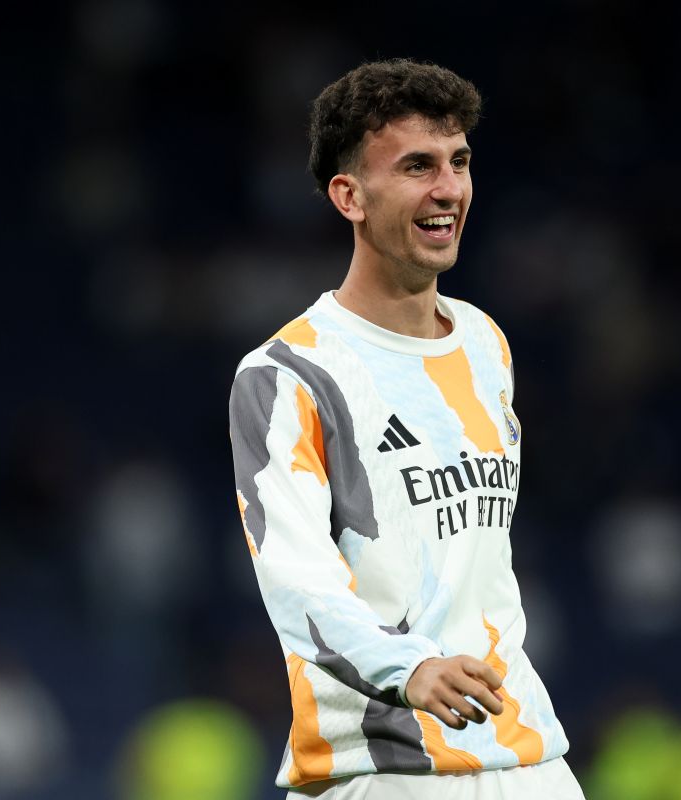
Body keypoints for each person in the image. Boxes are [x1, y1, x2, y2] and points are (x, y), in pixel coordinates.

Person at [228, 58, 584, 799]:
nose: (448, 189)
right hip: (383, 768)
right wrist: (410, 667)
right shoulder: (289, 374)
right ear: (348, 195)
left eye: (458, 162)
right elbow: (296, 581)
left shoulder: (485, 342)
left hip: (526, 759)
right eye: (417, 166)